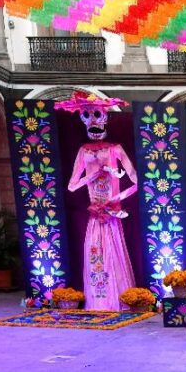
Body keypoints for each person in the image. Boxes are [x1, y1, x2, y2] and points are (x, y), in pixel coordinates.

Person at [54, 90, 137, 311]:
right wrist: (88, 177)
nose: (93, 121)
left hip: (111, 213)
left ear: (106, 117)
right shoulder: (83, 151)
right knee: (96, 257)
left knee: (113, 254)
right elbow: (72, 185)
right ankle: (99, 301)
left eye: (97, 115)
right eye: (87, 116)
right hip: (94, 214)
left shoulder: (115, 149)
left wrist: (116, 199)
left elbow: (136, 181)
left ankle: (119, 299)